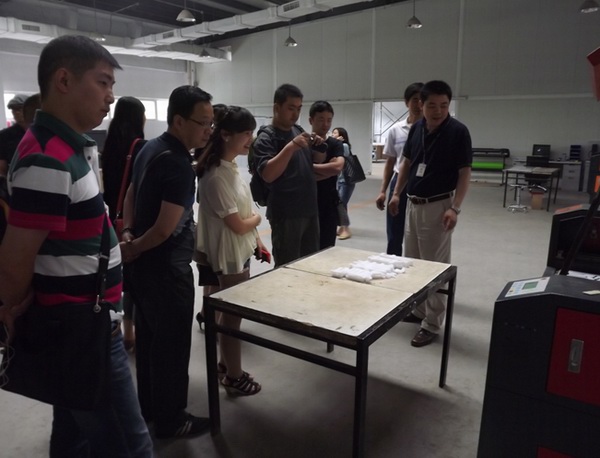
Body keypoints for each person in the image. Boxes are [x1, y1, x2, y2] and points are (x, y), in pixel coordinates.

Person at [0, 35, 153, 457]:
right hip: (82, 330)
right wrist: (11, 308)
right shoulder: (47, 157)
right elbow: (15, 259)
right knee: (130, 444)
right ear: (64, 81)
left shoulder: (68, 147)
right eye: (103, 82)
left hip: (83, 324)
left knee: (73, 435)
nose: (111, 96)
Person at [120, 85, 213, 438]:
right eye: (202, 123)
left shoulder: (149, 147)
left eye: (211, 123)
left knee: (149, 344)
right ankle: (172, 420)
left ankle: (149, 408)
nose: (208, 131)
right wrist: (136, 245)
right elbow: (164, 229)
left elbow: (131, 193)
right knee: (172, 348)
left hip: (143, 270)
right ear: (178, 121)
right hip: (167, 273)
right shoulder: (178, 165)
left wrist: (128, 233)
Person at [389, 80, 472, 348]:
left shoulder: (458, 132)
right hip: (413, 203)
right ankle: (419, 310)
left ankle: (432, 323)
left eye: (444, 106)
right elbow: (407, 162)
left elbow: (464, 172)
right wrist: (396, 193)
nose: (438, 111)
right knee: (413, 262)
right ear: (421, 105)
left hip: (439, 207)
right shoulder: (417, 129)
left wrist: (455, 207)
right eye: (432, 106)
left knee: (434, 267)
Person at [196, 105, 265, 396]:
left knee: (230, 313)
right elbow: (237, 224)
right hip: (229, 255)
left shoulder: (230, 167)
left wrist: (257, 240)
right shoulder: (216, 176)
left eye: (252, 132)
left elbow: (242, 214)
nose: (251, 139)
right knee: (231, 316)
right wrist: (258, 220)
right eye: (246, 133)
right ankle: (233, 377)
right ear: (226, 135)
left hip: (239, 249)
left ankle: (226, 365)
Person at [252, 83, 322, 267]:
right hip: (286, 214)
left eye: (299, 109)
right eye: (291, 108)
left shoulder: (298, 131)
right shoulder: (267, 138)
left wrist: (319, 145)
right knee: (287, 267)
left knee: (310, 264)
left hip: (309, 210)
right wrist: (291, 147)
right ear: (277, 108)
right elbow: (268, 174)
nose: (295, 114)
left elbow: (314, 162)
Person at [102, 96, 147, 352]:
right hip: (134, 221)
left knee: (121, 275)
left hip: (113, 219)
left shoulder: (109, 145)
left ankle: (125, 330)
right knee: (136, 277)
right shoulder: (140, 147)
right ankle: (133, 331)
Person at [376, 82, 424, 256]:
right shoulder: (396, 130)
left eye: (422, 100)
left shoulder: (431, 129)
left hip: (422, 183)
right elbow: (390, 161)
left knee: (420, 231)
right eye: (414, 99)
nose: (418, 104)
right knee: (394, 230)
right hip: (399, 183)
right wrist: (383, 191)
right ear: (406, 102)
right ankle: (392, 261)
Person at [309, 101, 345, 250]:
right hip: (306, 203)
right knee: (307, 249)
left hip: (328, 204)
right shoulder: (303, 143)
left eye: (329, 120)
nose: (325, 124)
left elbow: (337, 167)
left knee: (327, 248)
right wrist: (327, 170)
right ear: (311, 120)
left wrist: (308, 168)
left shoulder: (335, 144)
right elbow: (297, 174)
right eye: (321, 119)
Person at [333, 127, 354, 240]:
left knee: (341, 203)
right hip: (340, 180)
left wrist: (337, 143)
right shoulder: (337, 145)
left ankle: (346, 229)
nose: (333, 134)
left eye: (335, 133)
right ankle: (342, 227)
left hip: (346, 180)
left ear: (342, 135)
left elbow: (341, 160)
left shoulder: (344, 146)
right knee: (342, 203)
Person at [0, 94, 29, 176]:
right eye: (14, 109)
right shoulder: (5, 136)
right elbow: (2, 167)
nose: (17, 112)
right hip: (14, 179)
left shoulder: (40, 132)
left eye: (20, 108)